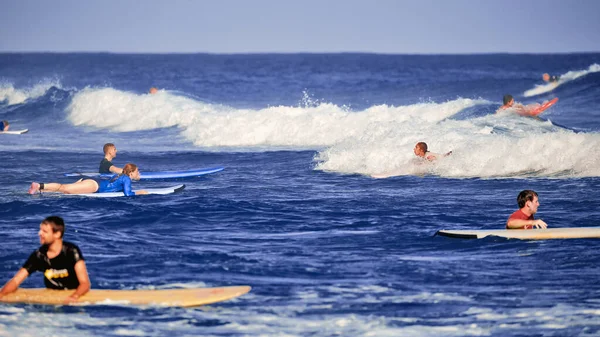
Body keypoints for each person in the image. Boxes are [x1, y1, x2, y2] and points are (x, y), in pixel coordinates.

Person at [0, 216, 90, 304]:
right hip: (51, 301)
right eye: (40, 230)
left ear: (57, 234)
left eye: (45, 231)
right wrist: (2, 294)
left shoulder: (71, 251)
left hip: (73, 300)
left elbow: (85, 283)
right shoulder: (39, 255)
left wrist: (74, 296)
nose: (39, 233)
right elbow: (16, 280)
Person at [28, 163, 148, 196]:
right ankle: (39, 185)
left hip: (92, 182)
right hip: (94, 186)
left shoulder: (120, 176)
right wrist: (140, 192)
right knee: (65, 188)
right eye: (138, 171)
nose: (139, 173)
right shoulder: (126, 179)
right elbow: (128, 194)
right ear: (131, 173)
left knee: (64, 190)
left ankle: (42, 191)